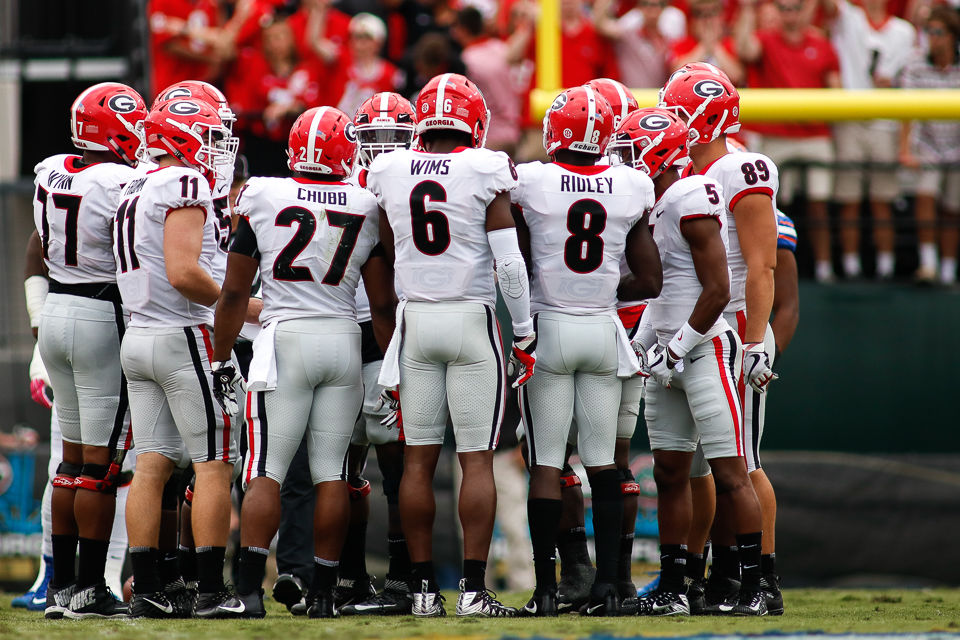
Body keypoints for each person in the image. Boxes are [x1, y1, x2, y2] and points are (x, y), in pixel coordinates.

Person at [208, 106, 395, 619]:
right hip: (341, 340)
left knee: (265, 467)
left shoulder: (263, 194)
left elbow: (233, 292)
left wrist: (222, 357)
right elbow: (380, 303)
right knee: (331, 473)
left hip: (284, 336)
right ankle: (324, 594)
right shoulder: (364, 203)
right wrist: (394, 364)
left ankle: (248, 592)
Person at [366, 73, 534, 618]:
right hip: (470, 318)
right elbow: (509, 262)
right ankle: (474, 590)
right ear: (475, 123)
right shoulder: (485, 168)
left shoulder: (389, 169)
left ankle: (420, 591)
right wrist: (526, 329)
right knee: (476, 460)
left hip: (416, 321)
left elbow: (390, 250)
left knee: (417, 462)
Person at [512, 86, 659, 617]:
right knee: (604, 463)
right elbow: (649, 277)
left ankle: (549, 590)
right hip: (602, 330)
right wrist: (597, 291)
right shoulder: (630, 184)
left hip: (549, 327)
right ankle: (610, 586)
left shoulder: (531, 179)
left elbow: (515, 255)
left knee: (548, 464)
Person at [610, 106, 749, 616]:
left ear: (662, 152)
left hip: (705, 345)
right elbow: (661, 292)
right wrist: (647, 343)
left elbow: (717, 290)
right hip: (668, 347)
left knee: (729, 471)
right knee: (670, 472)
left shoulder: (691, 194)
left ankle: (753, 585)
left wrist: (675, 348)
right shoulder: (656, 202)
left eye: (631, 151)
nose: (623, 161)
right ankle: (674, 585)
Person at [659, 64, 778, 616]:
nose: (670, 122)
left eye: (678, 113)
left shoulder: (742, 167)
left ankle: (762, 580)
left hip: (732, 327)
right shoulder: (682, 170)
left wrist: (756, 340)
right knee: (703, 467)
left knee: (744, 462)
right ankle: (716, 577)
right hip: (697, 328)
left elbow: (761, 267)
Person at [117, 97, 237, 618]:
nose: (213, 149)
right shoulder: (184, 182)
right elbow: (184, 272)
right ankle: (210, 589)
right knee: (213, 463)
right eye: (206, 136)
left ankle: (148, 587)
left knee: (152, 464)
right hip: (180, 333)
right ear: (181, 138)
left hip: (138, 336)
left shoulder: (134, 183)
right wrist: (244, 305)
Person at [32, 83, 146, 619]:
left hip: (56, 308)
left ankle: (61, 587)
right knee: (100, 466)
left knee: (70, 462)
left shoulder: (51, 168)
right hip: (101, 314)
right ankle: (88, 588)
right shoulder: (122, 180)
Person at [338, 93, 417, 617]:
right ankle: (347, 574)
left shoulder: (417, 185)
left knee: (397, 463)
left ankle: (401, 577)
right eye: (373, 139)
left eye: (396, 139)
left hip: (395, 332)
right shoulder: (341, 190)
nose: (385, 150)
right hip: (347, 330)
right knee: (344, 463)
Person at [734, 0, 841, 283]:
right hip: (774, 135)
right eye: (783, 8)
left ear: (807, 9)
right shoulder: (766, 39)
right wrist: (746, 9)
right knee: (768, 205)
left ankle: (824, 268)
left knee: (819, 204)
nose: (789, 13)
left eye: (795, 7)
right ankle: (767, 266)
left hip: (814, 134)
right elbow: (745, 49)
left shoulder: (821, 44)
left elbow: (837, 88)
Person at [822, 0, 916, 280]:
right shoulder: (849, 18)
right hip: (851, 118)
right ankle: (851, 266)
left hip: (886, 121)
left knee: (882, 199)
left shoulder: (904, 31)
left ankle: (885, 266)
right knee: (848, 198)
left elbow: (908, 77)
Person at [899, 6, 960, 285]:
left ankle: (948, 271)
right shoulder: (915, 63)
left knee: (952, 209)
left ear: (951, 36)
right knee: (925, 196)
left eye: (938, 32)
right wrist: (905, 149)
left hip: (957, 145)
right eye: (928, 31)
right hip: (929, 143)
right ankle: (928, 264)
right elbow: (907, 110)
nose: (932, 38)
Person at [452, 7, 522, 156]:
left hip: (490, 138)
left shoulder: (467, 60)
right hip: (515, 132)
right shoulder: (502, 48)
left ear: (462, 30)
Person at [593, 0, 686, 89]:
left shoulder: (670, 40)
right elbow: (600, 23)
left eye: (659, 4)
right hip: (631, 100)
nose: (653, 10)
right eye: (647, 4)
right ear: (639, 7)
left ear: (664, 9)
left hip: (657, 101)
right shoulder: (627, 35)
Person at [336, 14, 404, 118]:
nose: (359, 44)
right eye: (356, 37)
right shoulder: (340, 63)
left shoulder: (391, 74)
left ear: (378, 43)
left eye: (366, 38)